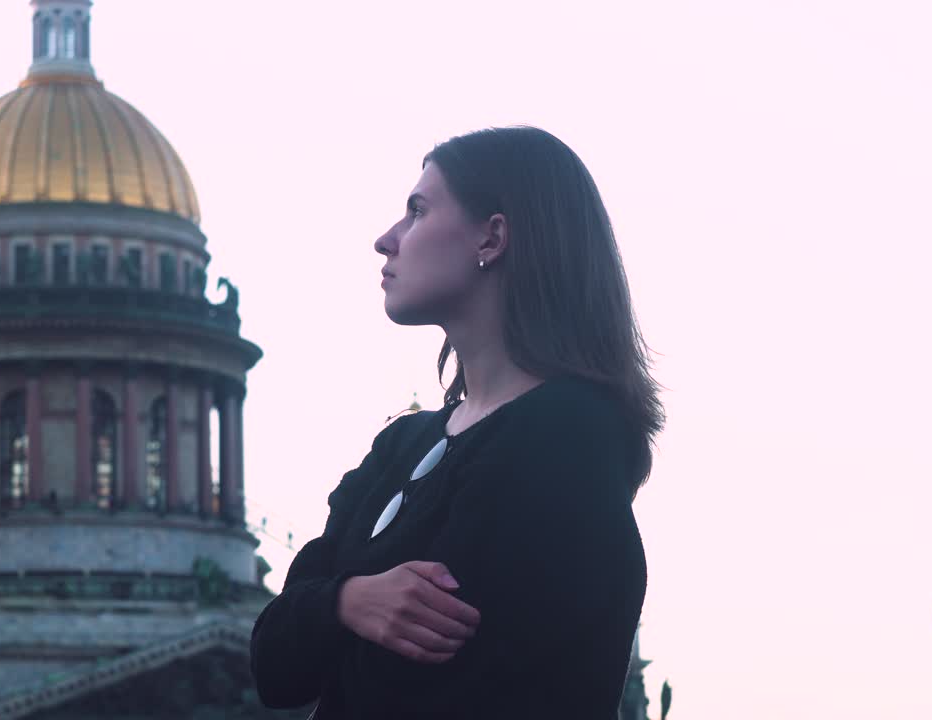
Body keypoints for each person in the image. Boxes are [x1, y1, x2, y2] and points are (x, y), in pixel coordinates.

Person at [249, 126, 663, 719]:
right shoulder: (402, 444)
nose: (385, 240)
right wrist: (348, 602)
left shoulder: (564, 438)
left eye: (417, 211)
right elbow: (273, 665)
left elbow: (406, 683)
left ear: (492, 237)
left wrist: (320, 609)